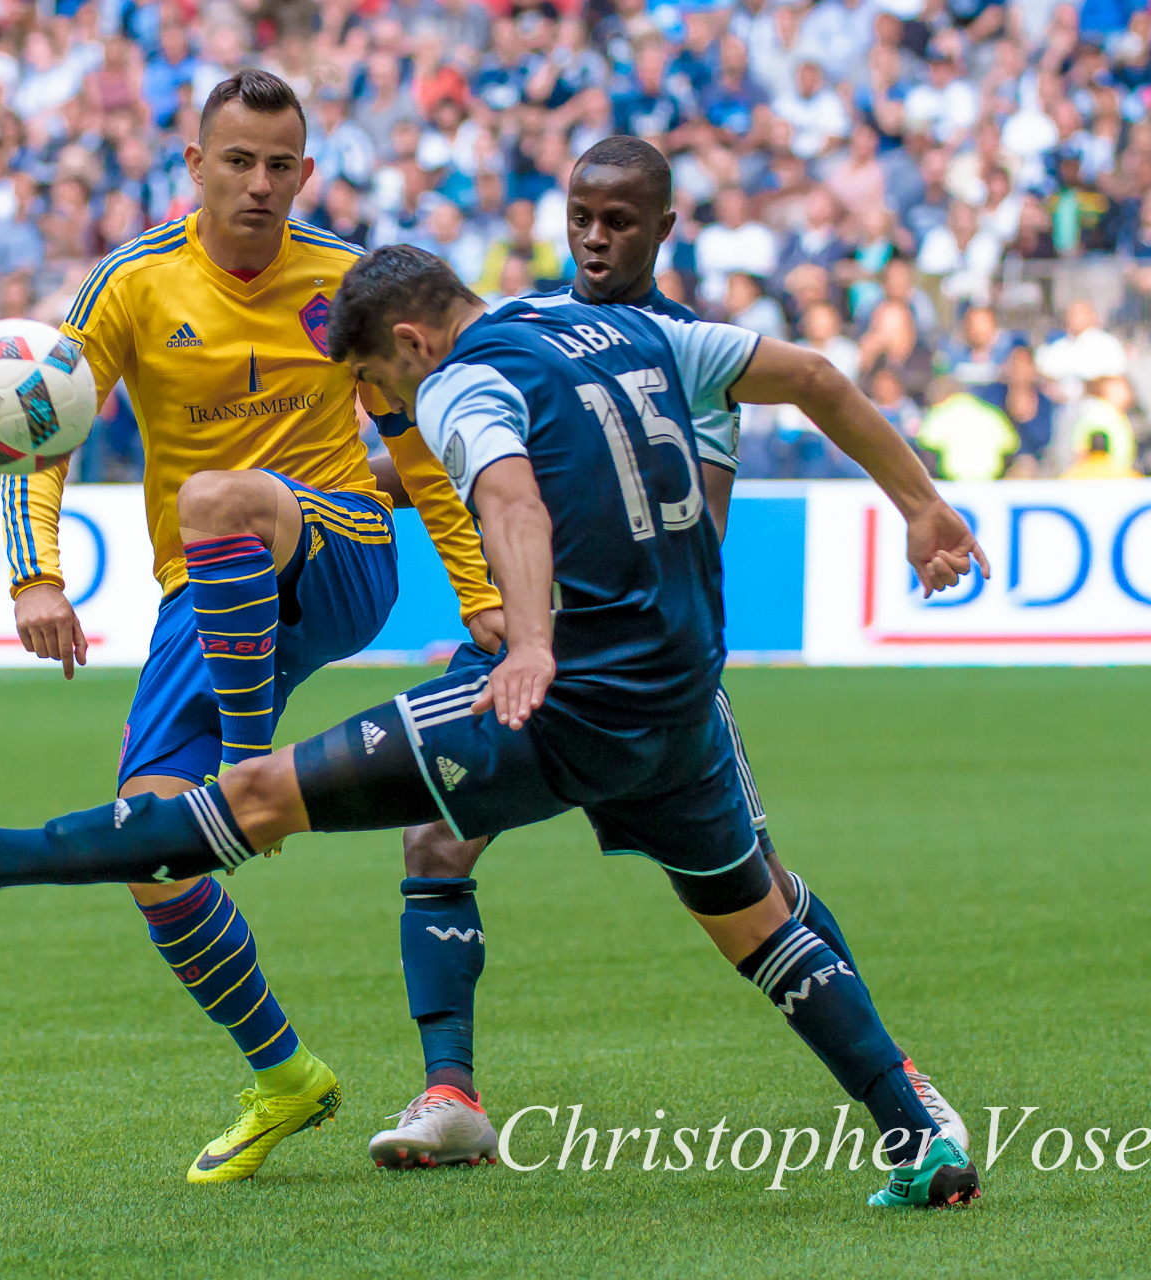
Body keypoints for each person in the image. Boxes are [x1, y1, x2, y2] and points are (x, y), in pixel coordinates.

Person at [0, 243, 990, 1211]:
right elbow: (813, 375)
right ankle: (915, 1129)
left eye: (370, 381)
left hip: (564, 701)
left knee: (256, 795)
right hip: (679, 701)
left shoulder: (461, 382)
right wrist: (921, 499)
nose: (379, 404)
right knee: (753, 919)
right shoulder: (619, 324)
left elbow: (508, 499)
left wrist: (530, 644)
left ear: (410, 338)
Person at [365, 137, 967, 1168]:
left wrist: (920, 504)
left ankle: (899, 1084)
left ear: (665, 228)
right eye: (581, 217)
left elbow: (703, 522)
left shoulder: (686, 350)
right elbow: (465, 466)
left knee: (756, 891)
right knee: (434, 838)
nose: (595, 239)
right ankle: (450, 1094)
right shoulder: (528, 327)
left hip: (645, 672)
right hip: (538, 658)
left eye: (620, 221)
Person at [0, 70, 500, 1185]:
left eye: (281, 165)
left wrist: (482, 599)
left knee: (224, 495)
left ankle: (238, 780)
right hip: (208, 592)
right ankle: (284, 1072)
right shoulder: (129, 285)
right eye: (239, 161)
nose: (261, 185)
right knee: (152, 850)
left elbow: (420, 445)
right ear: (194, 164)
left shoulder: (341, 279)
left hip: (339, 553)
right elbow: (47, 423)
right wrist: (36, 572)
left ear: (305, 173)